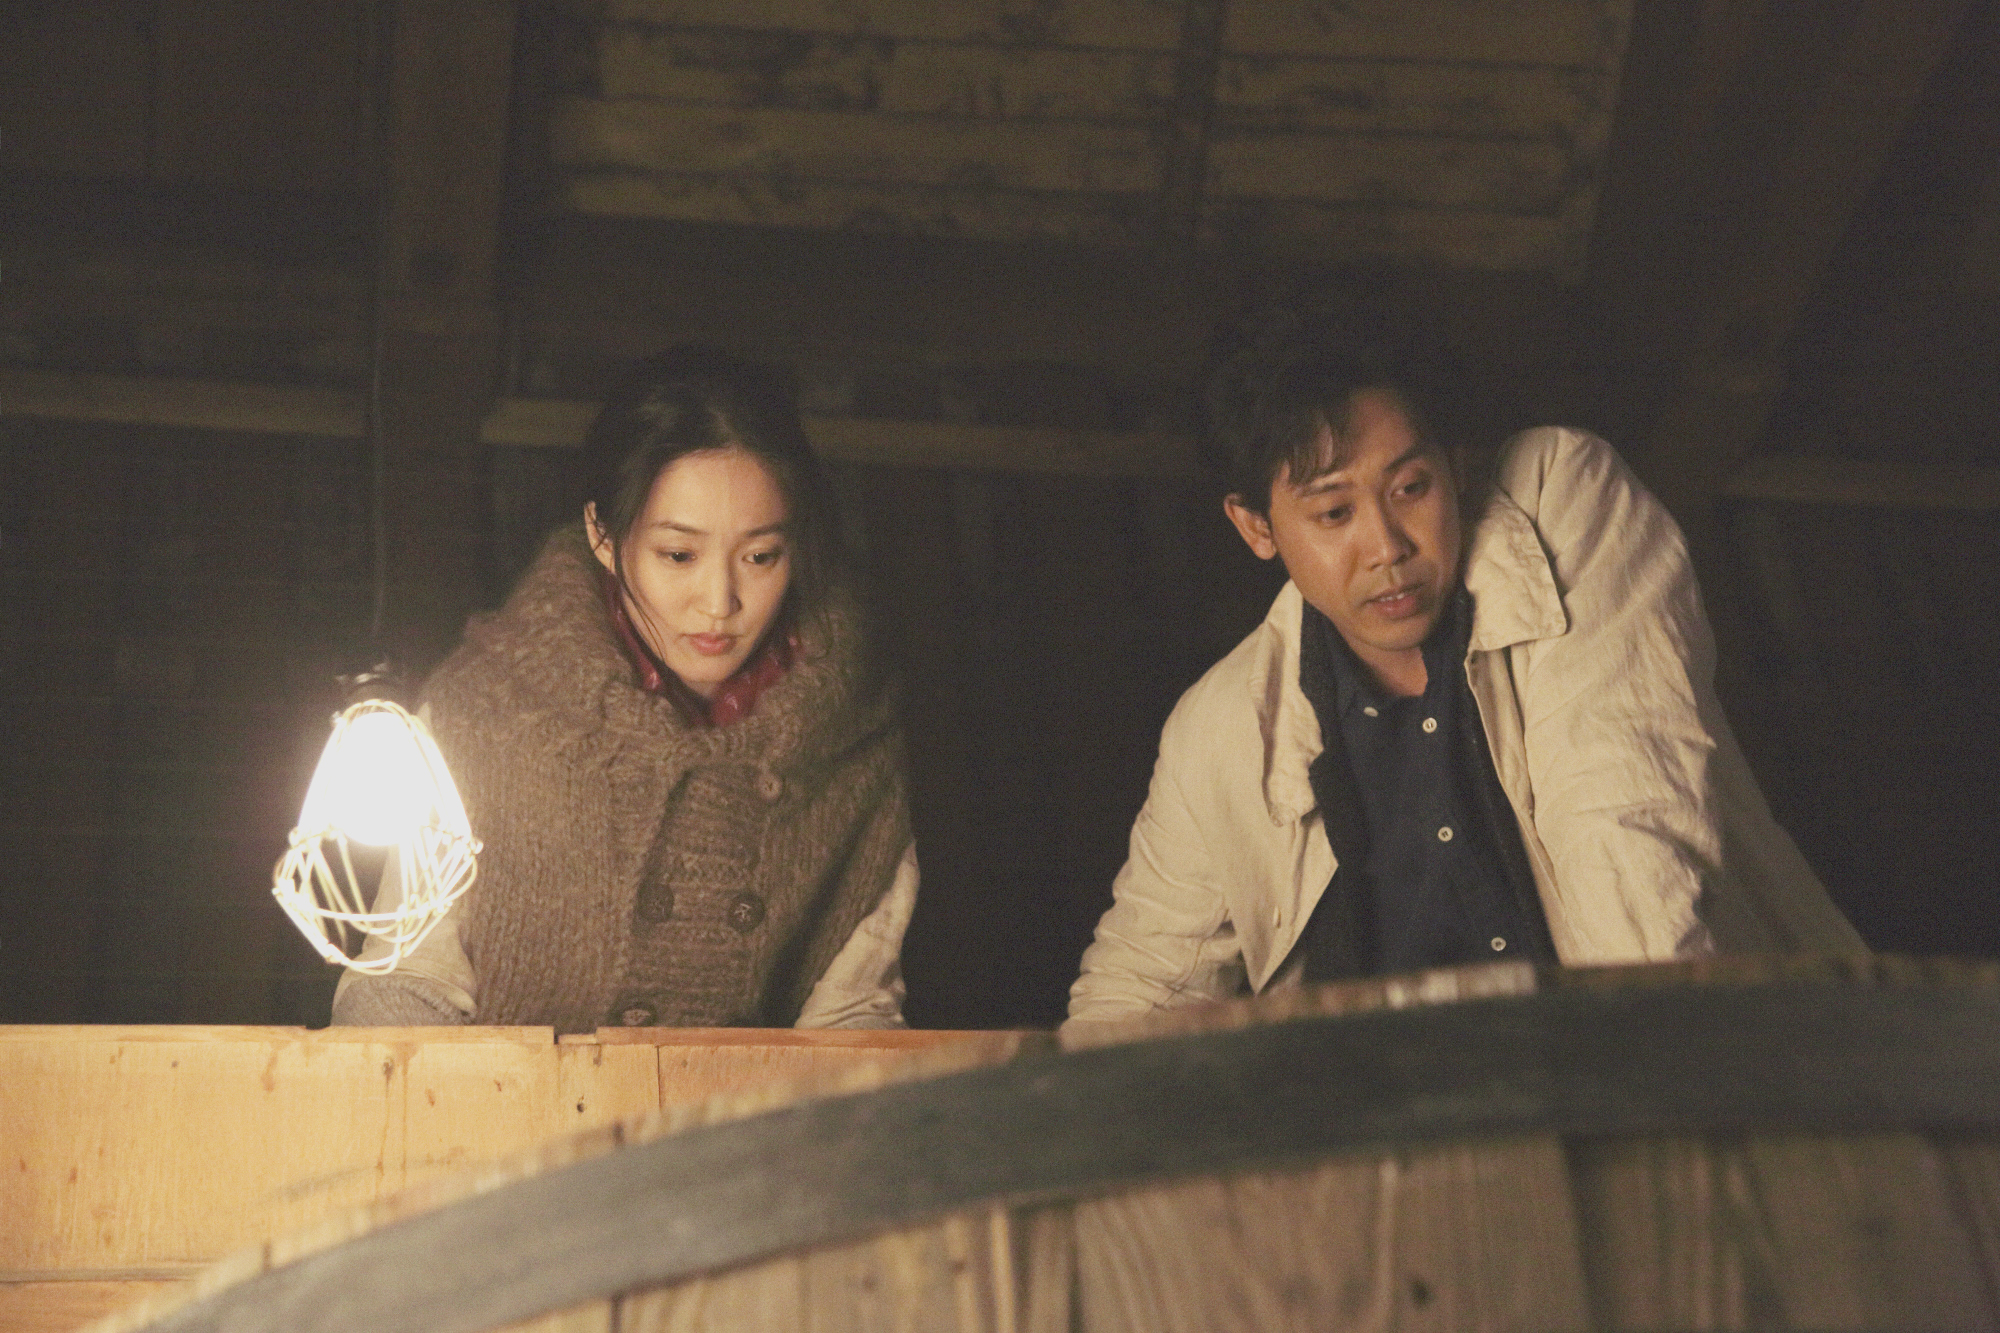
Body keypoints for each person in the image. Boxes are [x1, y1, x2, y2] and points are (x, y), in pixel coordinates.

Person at [1067, 312, 1864, 1025]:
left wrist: (1641, 1078)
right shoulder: (1221, 727)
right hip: (1389, 1125)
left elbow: (1626, 823)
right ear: (1256, 527)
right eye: (1334, 512)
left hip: (1647, 1069)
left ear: (1456, 467)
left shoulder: (1559, 500)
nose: (1388, 547)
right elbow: (1139, 987)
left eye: (1411, 487)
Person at [333, 347, 916, 1032]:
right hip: (499, 1098)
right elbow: (407, 976)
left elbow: (852, 1013)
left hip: (752, 1105)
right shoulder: (484, 716)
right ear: (603, 536)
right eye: (679, 554)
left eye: (761, 556)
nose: (719, 601)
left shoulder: (851, 742)